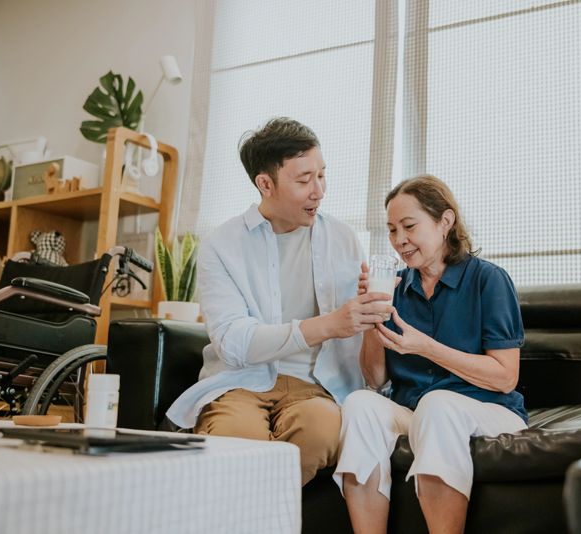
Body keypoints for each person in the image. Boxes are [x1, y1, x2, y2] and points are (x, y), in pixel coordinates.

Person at [166, 117, 391, 485]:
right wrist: (329, 324)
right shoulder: (222, 246)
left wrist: (368, 313)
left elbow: (362, 344)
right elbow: (234, 343)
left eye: (322, 175)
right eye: (304, 180)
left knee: (320, 432)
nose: (319, 190)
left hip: (317, 387)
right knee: (234, 441)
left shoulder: (343, 239)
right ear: (265, 184)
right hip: (240, 382)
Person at [334, 174, 527, 534]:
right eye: (392, 230)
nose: (399, 241)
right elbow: (376, 379)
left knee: (438, 403)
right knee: (360, 404)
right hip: (416, 411)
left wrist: (426, 347)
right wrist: (374, 313)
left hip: (489, 411)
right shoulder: (398, 289)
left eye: (409, 226)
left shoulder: (488, 280)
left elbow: (505, 376)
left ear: (445, 222)